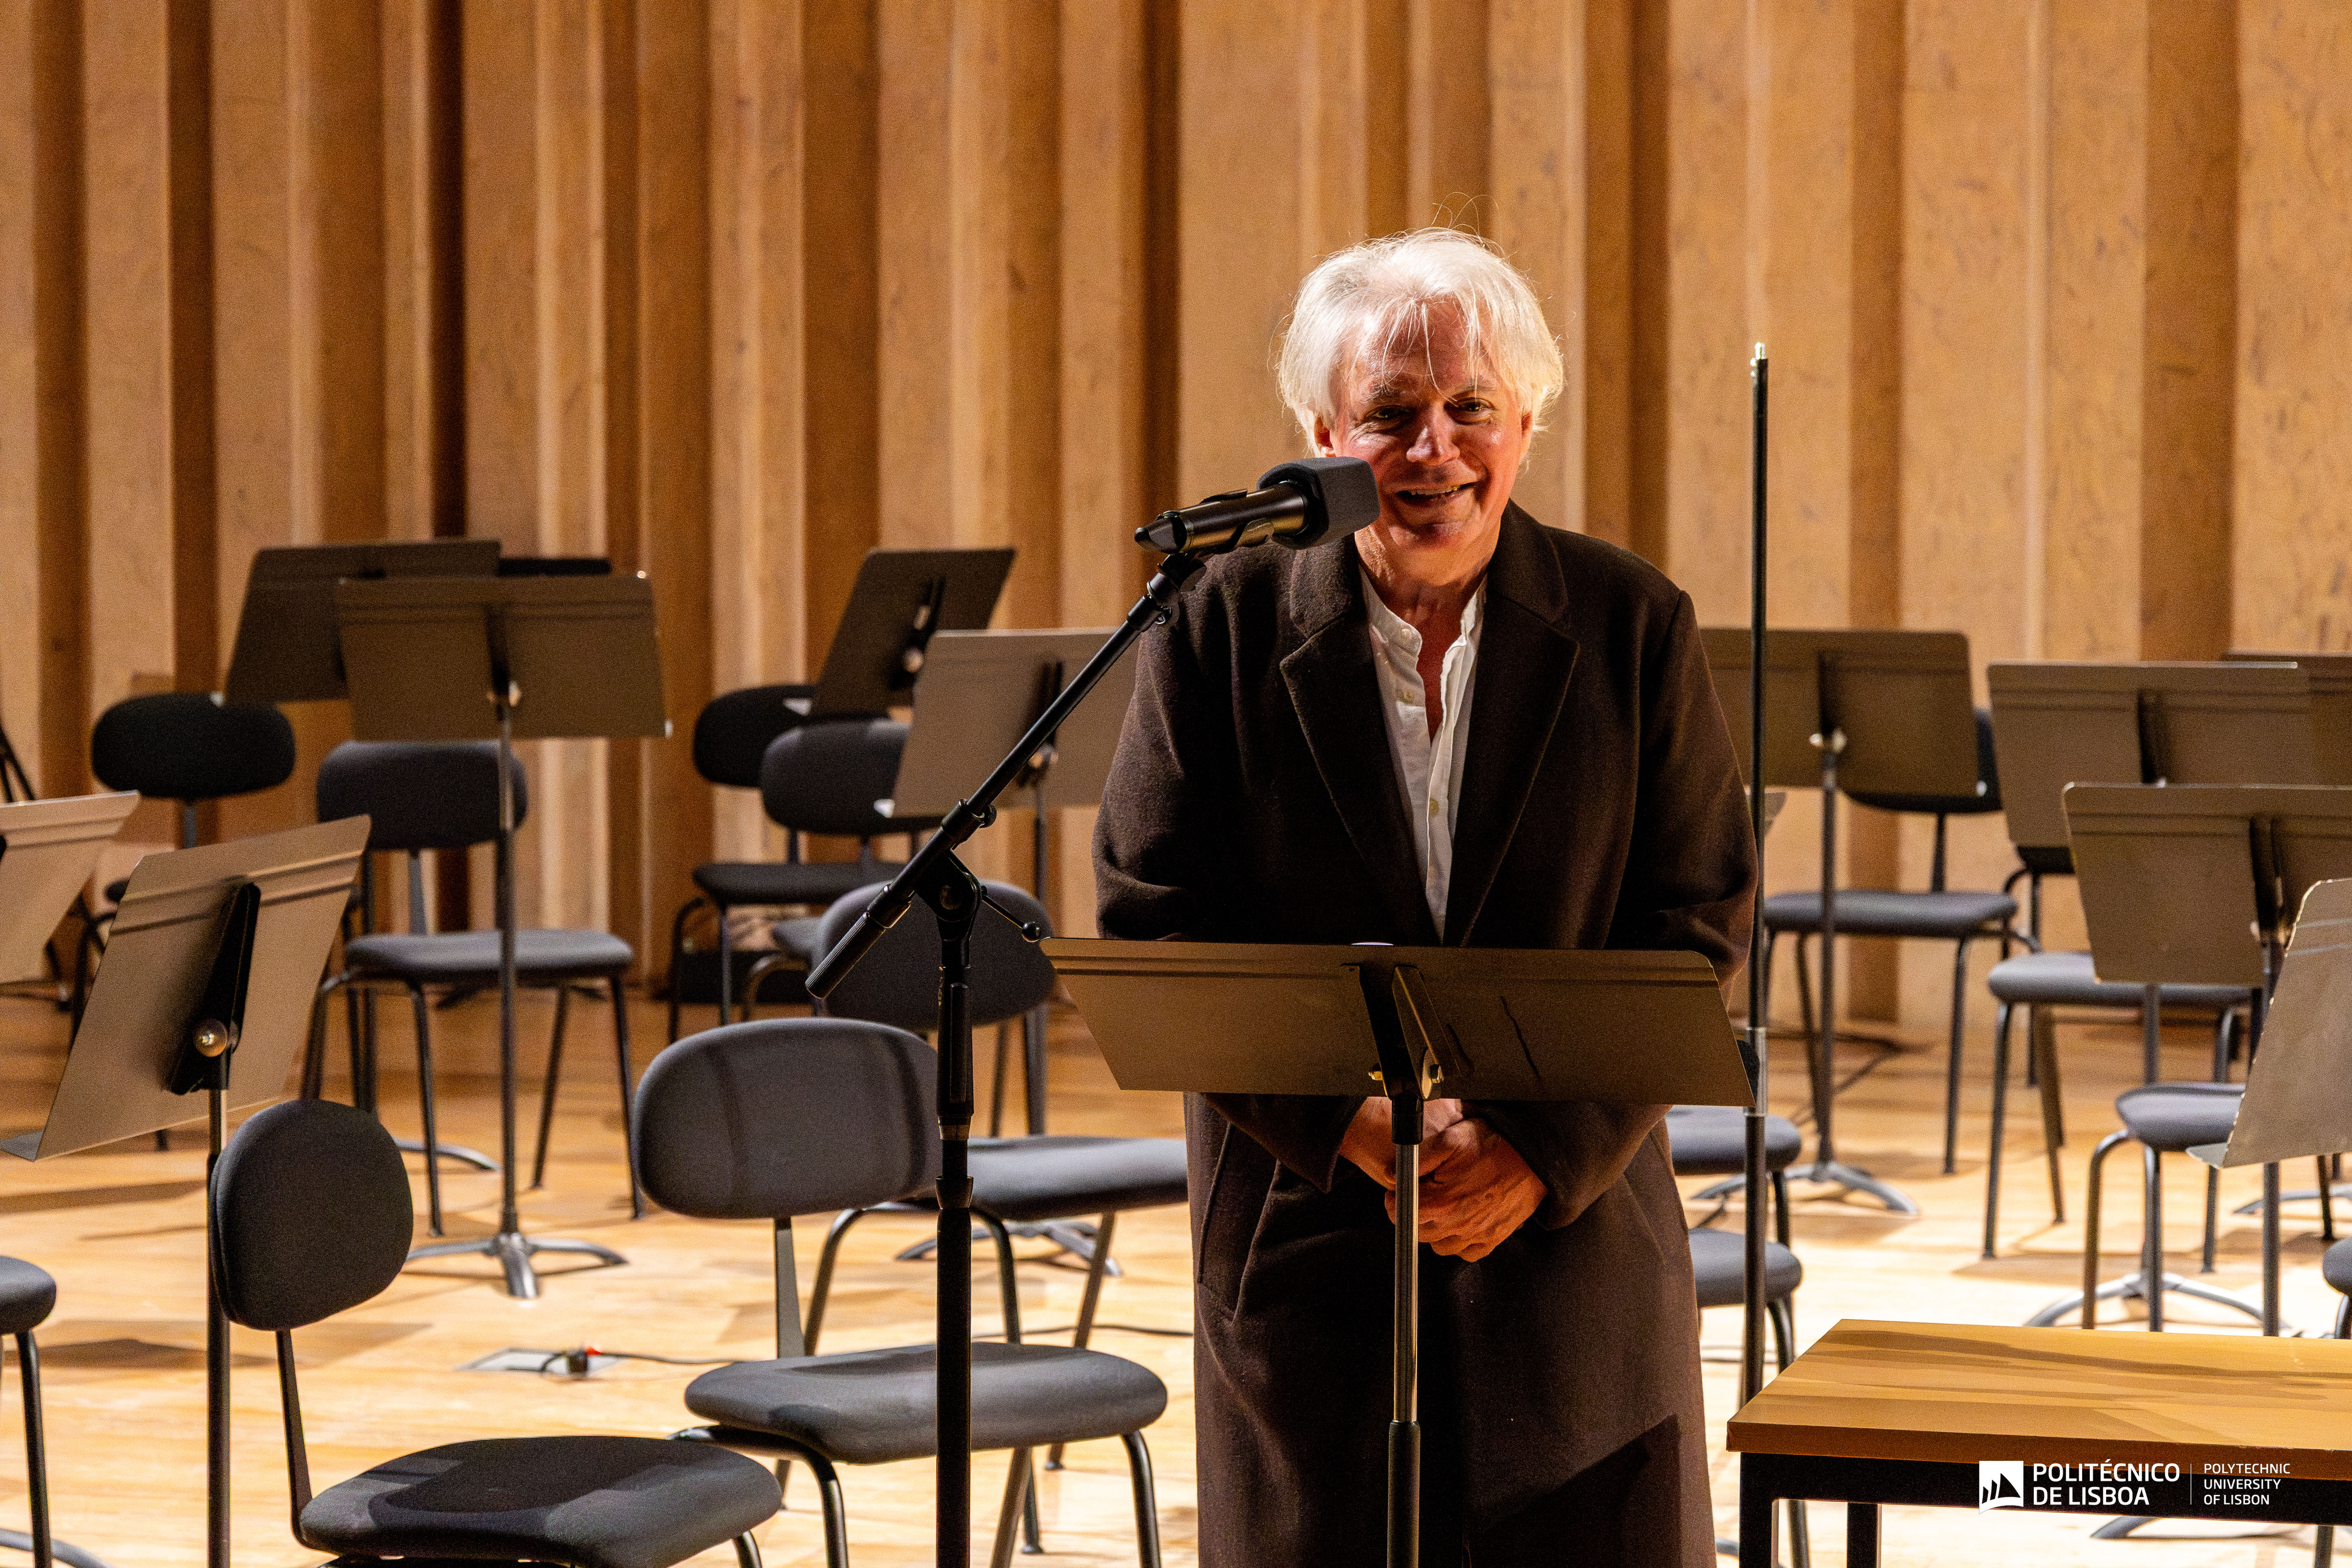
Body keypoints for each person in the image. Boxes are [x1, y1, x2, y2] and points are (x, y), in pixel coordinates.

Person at [1093, 228, 1757, 1567]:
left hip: (1571, 1232)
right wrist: (1348, 1123)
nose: (1432, 449)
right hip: (1309, 1225)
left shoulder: (1632, 622)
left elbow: (1696, 919)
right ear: (1321, 431)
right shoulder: (1216, 620)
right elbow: (1154, 915)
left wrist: (1537, 1149)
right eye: (1390, 414)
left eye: (1470, 410)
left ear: (1527, 422)